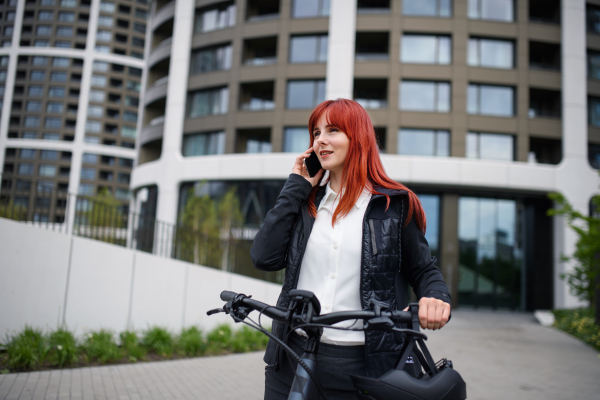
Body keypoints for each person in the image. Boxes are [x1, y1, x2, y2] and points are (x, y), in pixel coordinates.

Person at [251, 99, 452, 400]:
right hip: (291, 357)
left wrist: (435, 297)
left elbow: (424, 270)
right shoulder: (304, 203)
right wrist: (297, 184)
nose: (320, 140)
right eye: (316, 132)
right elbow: (263, 257)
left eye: (332, 130)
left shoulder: (393, 205)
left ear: (357, 137)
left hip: (366, 366)